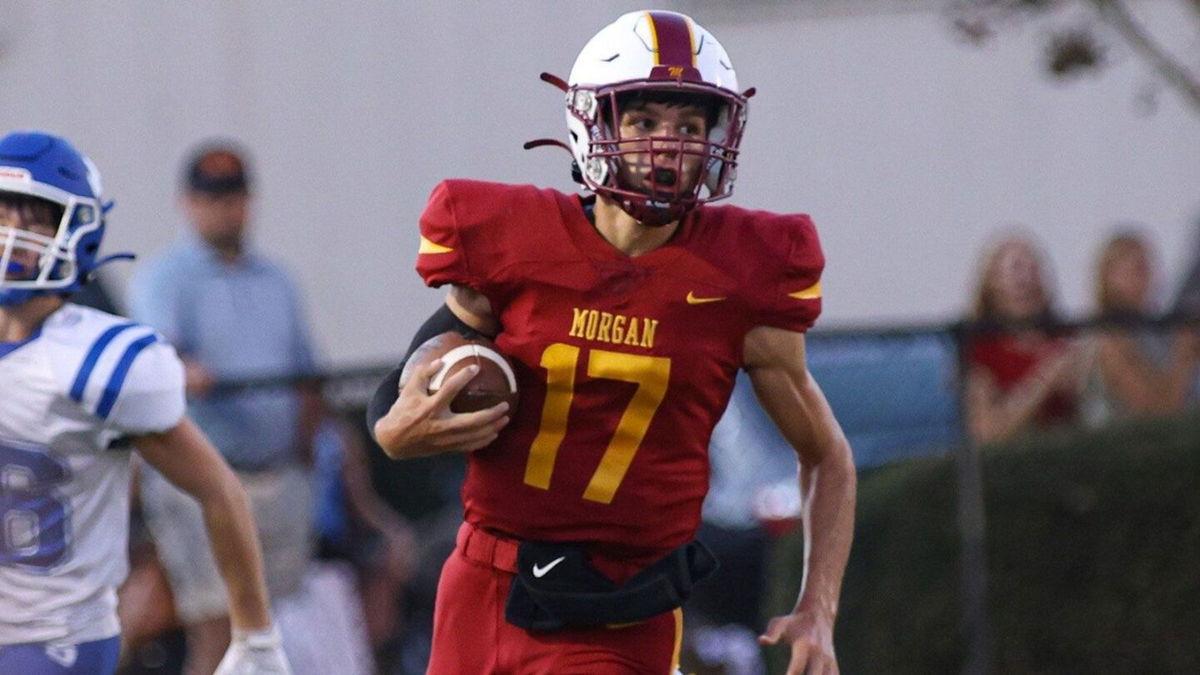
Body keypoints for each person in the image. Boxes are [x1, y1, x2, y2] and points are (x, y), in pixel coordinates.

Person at [368, 10, 857, 674]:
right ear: (595, 123)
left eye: (688, 126)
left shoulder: (739, 277)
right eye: (645, 121)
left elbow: (826, 456)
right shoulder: (517, 241)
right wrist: (391, 425)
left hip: (617, 605)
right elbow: (428, 352)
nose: (668, 145)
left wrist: (818, 607)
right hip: (482, 583)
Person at [0, 130, 290, 674]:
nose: (14, 236)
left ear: (77, 230)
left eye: (34, 218)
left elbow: (219, 491)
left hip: (52, 642)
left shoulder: (101, 359)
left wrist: (255, 635)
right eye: (2, 217)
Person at [125, 141, 366, 674]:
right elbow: (151, 363)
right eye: (210, 198)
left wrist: (307, 456)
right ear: (187, 203)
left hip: (279, 481)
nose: (223, 209)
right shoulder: (166, 279)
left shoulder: (276, 278)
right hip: (204, 485)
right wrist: (183, 371)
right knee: (219, 628)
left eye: (232, 196)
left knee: (271, 632)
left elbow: (308, 373)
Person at [963, 232, 1091, 444]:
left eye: (1035, 269)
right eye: (1017, 268)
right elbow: (987, 432)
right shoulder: (979, 349)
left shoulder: (1066, 337)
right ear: (993, 281)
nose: (1028, 278)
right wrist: (1045, 379)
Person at [1083, 230, 1198, 424]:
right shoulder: (1111, 339)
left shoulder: (1159, 330)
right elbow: (1154, 413)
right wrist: (1185, 356)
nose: (1148, 278)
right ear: (1109, 277)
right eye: (1138, 270)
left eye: (1148, 268)